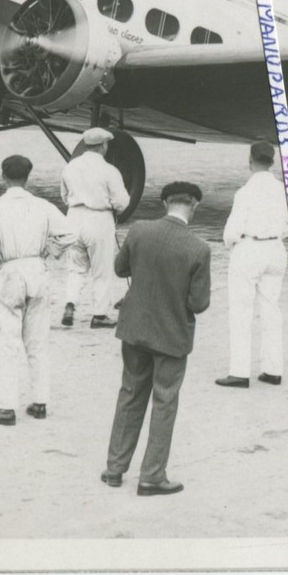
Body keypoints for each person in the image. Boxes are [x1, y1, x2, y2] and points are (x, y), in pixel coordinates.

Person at [102, 182, 212, 495]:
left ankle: (114, 468)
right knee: (164, 401)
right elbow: (199, 303)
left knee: (130, 393)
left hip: (135, 328)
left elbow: (119, 268)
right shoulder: (198, 248)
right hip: (172, 336)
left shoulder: (139, 230)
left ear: (164, 202)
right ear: (195, 206)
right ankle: (151, 475)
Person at [0, 155, 79, 426]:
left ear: (3, 177)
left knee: (8, 341)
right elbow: (69, 234)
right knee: (38, 341)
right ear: (27, 177)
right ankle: (40, 401)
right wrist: (50, 250)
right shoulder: (42, 206)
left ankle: (6, 407)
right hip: (37, 271)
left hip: (11, 271)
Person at [215, 142, 288, 389]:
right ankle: (272, 369)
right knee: (271, 310)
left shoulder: (245, 192)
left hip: (250, 249)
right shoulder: (283, 190)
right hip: (276, 249)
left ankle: (239, 371)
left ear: (251, 160)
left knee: (241, 311)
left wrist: (231, 244)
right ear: (272, 161)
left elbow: (232, 231)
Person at [60, 126, 131, 328]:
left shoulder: (70, 167)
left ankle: (70, 303)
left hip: (73, 217)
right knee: (101, 270)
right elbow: (122, 201)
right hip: (99, 218)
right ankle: (99, 315)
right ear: (104, 146)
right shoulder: (109, 170)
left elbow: (64, 196)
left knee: (76, 268)